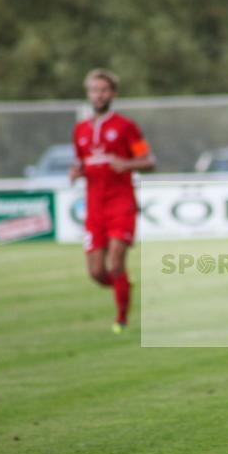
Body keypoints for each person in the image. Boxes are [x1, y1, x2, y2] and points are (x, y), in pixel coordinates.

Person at [70, 69, 156, 333]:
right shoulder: (80, 130)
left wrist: (126, 164)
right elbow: (82, 162)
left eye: (104, 90)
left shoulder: (125, 127)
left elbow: (149, 161)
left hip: (121, 204)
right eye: (94, 90)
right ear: (88, 94)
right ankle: (124, 287)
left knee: (116, 263)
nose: (99, 95)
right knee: (97, 272)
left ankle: (121, 319)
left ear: (113, 94)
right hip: (94, 209)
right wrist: (77, 171)